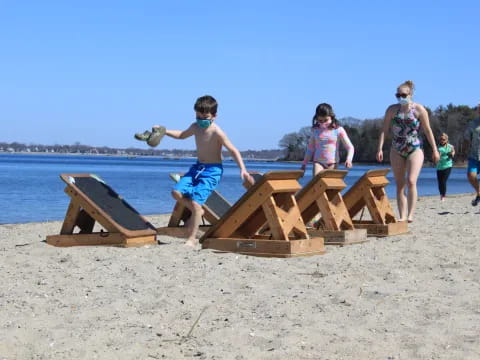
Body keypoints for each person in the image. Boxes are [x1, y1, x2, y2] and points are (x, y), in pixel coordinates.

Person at [135, 95, 253, 247]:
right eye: (198, 116)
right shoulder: (195, 127)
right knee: (176, 193)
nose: (201, 120)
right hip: (197, 167)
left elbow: (233, 150)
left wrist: (243, 170)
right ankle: (198, 211)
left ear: (214, 116)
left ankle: (191, 238)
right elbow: (181, 135)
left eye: (205, 117)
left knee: (197, 203)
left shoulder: (217, 132)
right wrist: (164, 131)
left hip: (212, 171)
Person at [376, 80, 440, 223]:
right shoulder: (392, 110)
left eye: (403, 94)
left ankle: (410, 214)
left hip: (415, 147)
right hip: (396, 148)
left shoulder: (419, 110)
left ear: (410, 94)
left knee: (411, 180)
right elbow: (384, 130)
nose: (400, 97)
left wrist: (435, 150)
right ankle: (402, 215)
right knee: (400, 183)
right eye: (397, 95)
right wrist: (380, 148)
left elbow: (428, 131)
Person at [300, 103, 354, 176]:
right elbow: (310, 149)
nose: (323, 123)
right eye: (320, 121)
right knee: (317, 182)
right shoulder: (315, 130)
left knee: (330, 185)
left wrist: (349, 159)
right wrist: (304, 165)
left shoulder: (338, 130)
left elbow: (350, 147)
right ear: (316, 119)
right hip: (318, 162)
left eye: (326, 120)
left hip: (333, 163)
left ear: (331, 117)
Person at [463, 103, 480, 206]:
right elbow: (466, 138)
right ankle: (479, 192)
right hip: (474, 156)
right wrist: (464, 150)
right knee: (471, 175)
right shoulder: (473, 124)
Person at [436, 133, 455, 201]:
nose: (442, 140)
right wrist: (437, 156)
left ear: (446, 140)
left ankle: (443, 196)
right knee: (440, 182)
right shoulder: (437, 147)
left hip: (448, 166)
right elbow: (434, 156)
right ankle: (441, 194)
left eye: (443, 139)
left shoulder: (450, 146)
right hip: (439, 166)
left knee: (443, 181)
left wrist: (451, 154)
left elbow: (453, 152)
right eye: (441, 139)